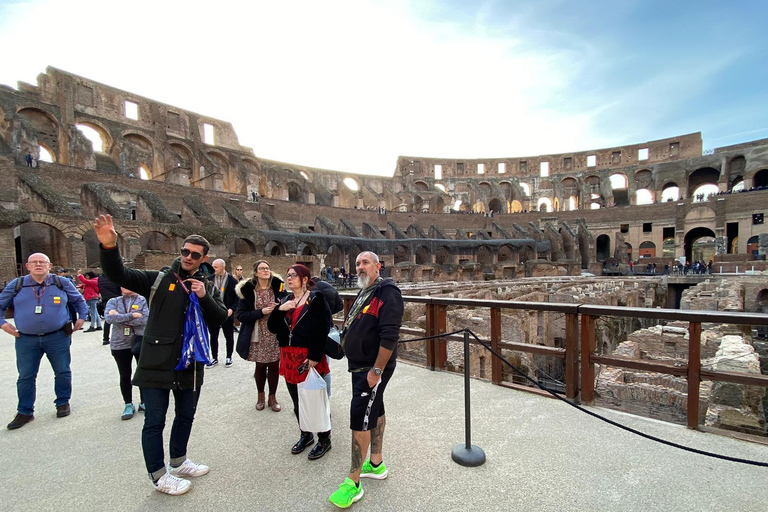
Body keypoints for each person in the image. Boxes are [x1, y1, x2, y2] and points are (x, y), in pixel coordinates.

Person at [94, 214, 228, 496]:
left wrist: (204, 296)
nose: (188, 257)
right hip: (156, 361)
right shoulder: (158, 279)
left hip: (190, 363)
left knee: (186, 415)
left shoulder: (208, 287)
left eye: (195, 254)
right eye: (185, 252)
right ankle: (159, 476)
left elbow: (219, 320)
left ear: (203, 259)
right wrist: (108, 248)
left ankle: (179, 461)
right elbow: (120, 274)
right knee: (155, 421)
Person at [329, 251, 403, 508]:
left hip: (372, 369)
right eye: (358, 263)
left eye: (365, 263)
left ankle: (353, 482)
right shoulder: (365, 291)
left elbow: (389, 336)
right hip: (360, 365)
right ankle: (376, 463)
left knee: (359, 418)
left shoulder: (387, 293)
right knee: (376, 408)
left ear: (377, 266)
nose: (360, 267)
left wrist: (377, 371)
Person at [0, 253, 87, 430]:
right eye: (34, 262)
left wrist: (82, 317)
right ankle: (25, 411)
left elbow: (79, 300)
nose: (38, 264)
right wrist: (2, 323)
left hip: (57, 336)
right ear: (28, 266)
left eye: (42, 262)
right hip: (26, 339)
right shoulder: (17, 285)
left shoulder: (61, 282)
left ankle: (62, 402)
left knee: (62, 371)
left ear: (50, 265)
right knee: (25, 376)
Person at [267, 264, 333, 460]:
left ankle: (324, 439)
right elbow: (272, 327)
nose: (289, 278)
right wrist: (280, 309)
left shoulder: (315, 298)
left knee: (314, 398)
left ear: (304, 279)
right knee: (297, 399)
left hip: (308, 355)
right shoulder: (286, 299)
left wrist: (314, 356)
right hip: (288, 355)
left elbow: (322, 328)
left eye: (294, 276)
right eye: (288, 275)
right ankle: (306, 434)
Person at [236, 260, 285, 412]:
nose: (265, 270)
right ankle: (261, 396)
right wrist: (261, 312)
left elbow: (287, 305)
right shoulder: (248, 290)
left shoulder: (278, 287)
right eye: (262, 268)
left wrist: (279, 307)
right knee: (261, 365)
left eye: (267, 268)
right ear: (256, 273)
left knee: (274, 365)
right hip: (257, 332)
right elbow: (241, 315)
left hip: (274, 332)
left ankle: (272, 397)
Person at [105, 287, 148, 420]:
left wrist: (119, 316)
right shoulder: (113, 301)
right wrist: (132, 315)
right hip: (119, 343)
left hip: (138, 340)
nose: (123, 286)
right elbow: (109, 319)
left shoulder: (142, 300)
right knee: (124, 374)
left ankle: (144, 402)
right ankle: (128, 403)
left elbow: (145, 319)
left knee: (142, 372)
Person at [206, 259, 238, 368]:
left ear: (223, 267)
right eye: (212, 266)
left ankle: (229, 357)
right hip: (213, 313)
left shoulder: (232, 281)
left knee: (228, 336)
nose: (213, 269)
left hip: (226, 312)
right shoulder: (209, 279)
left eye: (215, 267)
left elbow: (237, 298)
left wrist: (232, 310)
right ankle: (214, 357)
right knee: (213, 336)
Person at [99, 273, 122, 345]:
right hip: (117, 298)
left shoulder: (100, 278)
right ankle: (121, 337)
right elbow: (118, 287)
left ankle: (105, 339)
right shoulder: (114, 276)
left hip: (106, 299)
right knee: (121, 318)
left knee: (108, 320)